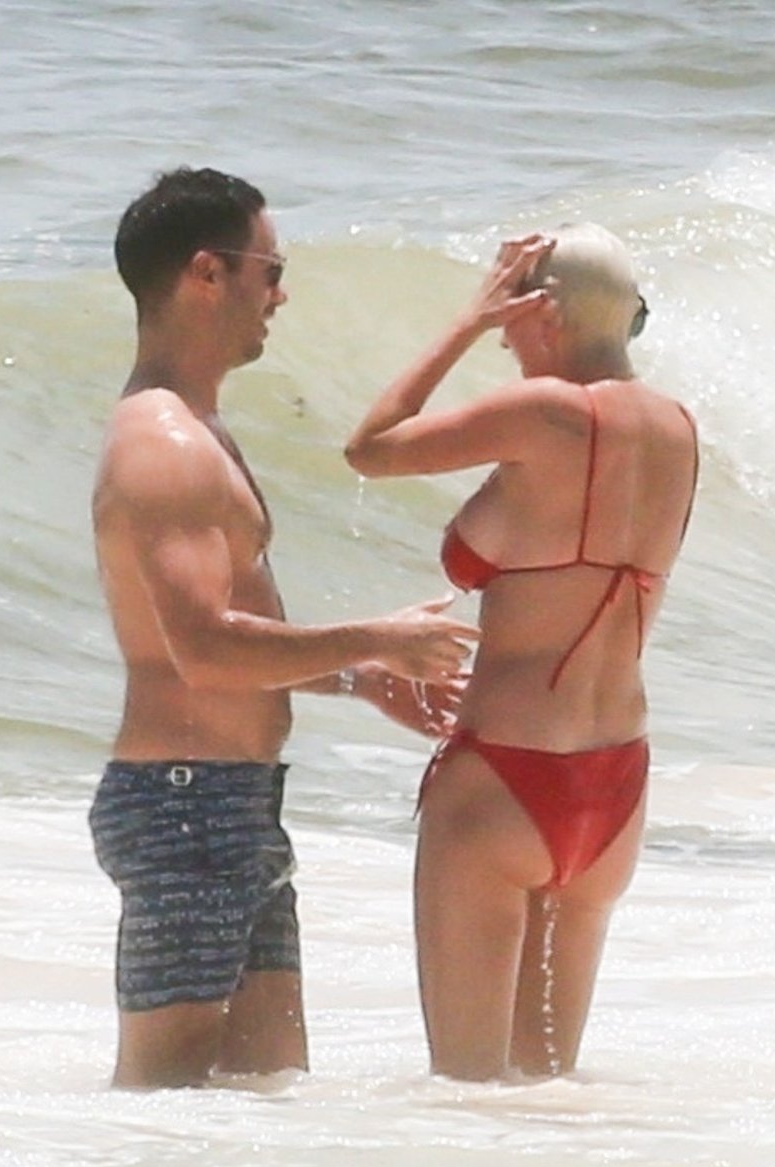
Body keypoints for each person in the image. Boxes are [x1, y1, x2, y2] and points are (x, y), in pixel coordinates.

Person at [90, 167, 478, 1090]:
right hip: (185, 807)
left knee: (267, 1094)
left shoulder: (197, 430)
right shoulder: (163, 445)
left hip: (233, 801)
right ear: (207, 274)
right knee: (165, 1098)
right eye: (271, 269)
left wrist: (357, 680)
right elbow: (202, 648)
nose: (281, 293)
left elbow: (222, 644)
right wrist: (376, 639)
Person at [345, 226, 698, 1081]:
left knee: (465, 1093)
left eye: (509, 312)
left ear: (544, 310)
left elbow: (371, 447)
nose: (503, 337)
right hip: (613, 783)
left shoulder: (542, 414)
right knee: (546, 1103)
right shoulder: (677, 430)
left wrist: (463, 321)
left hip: (504, 774)